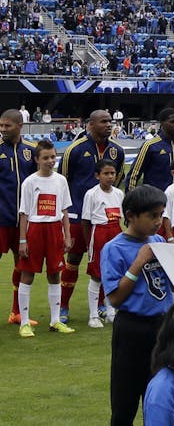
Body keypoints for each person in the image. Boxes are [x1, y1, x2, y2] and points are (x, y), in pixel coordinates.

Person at [101, 184, 173, 425]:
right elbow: (115, 298)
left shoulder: (159, 240)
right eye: (152, 216)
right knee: (125, 401)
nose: (158, 221)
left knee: (160, 399)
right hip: (132, 330)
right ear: (131, 216)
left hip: (163, 328)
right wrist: (138, 262)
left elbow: (170, 284)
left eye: (161, 215)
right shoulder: (114, 248)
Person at [60, 110, 123, 323]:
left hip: (106, 220)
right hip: (79, 216)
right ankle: (63, 306)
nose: (108, 124)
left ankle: (101, 305)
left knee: (105, 262)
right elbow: (63, 182)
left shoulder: (117, 151)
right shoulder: (74, 150)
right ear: (90, 124)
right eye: (104, 121)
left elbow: (118, 179)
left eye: (110, 121)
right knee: (74, 260)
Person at [16, 139, 75, 336]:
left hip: (54, 230)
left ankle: (55, 320)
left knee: (54, 274)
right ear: (37, 159)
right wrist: (22, 240)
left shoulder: (61, 180)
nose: (51, 161)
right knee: (28, 274)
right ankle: (24, 322)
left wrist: (67, 236)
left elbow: (65, 210)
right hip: (35, 231)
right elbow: (24, 214)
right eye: (46, 158)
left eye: (53, 157)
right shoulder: (30, 182)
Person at [1, 108, 39, 325]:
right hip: (1, 220)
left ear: (20, 125)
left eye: (7, 125)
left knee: (22, 266)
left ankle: (17, 312)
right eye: (1, 126)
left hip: (25, 222)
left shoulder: (31, 151)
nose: (3, 130)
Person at [81, 160, 125, 328]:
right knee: (97, 275)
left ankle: (111, 311)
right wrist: (88, 244)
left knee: (114, 274)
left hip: (116, 232)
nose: (110, 177)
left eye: (112, 173)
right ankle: (93, 315)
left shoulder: (119, 194)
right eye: (106, 174)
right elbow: (86, 221)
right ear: (97, 175)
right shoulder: (91, 194)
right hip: (99, 233)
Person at [126, 108, 174, 192]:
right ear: (162, 123)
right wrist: (131, 199)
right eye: (173, 122)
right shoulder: (150, 145)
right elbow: (134, 173)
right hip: (155, 199)